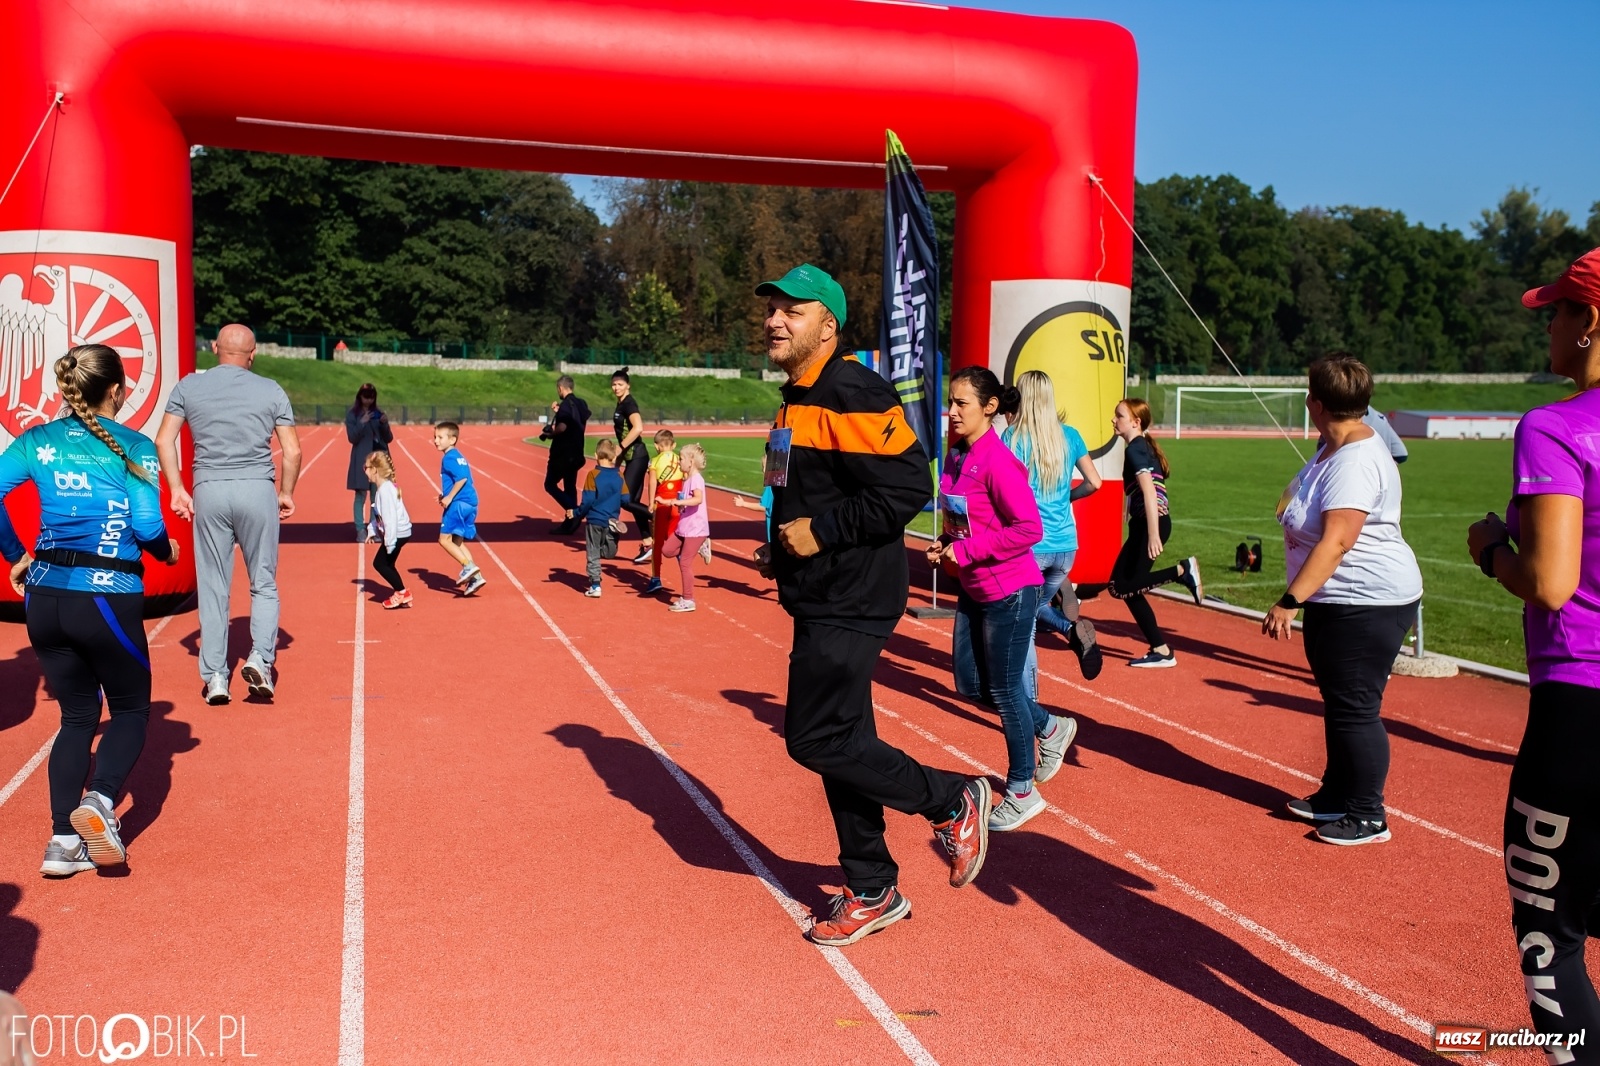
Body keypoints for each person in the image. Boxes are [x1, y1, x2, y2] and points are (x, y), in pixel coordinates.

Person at [756, 262, 989, 947]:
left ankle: (951, 799)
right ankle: (871, 886)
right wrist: (783, 544)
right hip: (818, 590)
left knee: (814, 739)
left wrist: (820, 533)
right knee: (842, 744)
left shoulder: (852, 389)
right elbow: (806, 490)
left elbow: (908, 485)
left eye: (792, 311)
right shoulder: (796, 398)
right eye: (772, 308)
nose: (774, 320)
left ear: (827, 325)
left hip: (852, 593)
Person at [1467, 247, 1600, 1052]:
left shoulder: (1556, 426)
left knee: (1550, 929)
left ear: (1590, 322)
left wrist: (1492, 547)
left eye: (1556, 312)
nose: (1546, 327)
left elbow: (1550, 583)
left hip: (1581, 704)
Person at [0, 346, 179, 876]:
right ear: (117, 391)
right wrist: (167, 550)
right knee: (130, 711)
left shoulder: (36, 440)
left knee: (77, 716)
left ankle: (62, 843)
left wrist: (16, 554)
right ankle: (100, 799)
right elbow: (147, 527)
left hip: (44, 597)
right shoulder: (135, 446)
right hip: (105, 595)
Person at [1264, 353, 1421, 846]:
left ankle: (1369, 814)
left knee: (1356, 706)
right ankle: (1337, 794)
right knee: (1340, 701)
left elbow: (1337, 541)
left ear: (1315, 402)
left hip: (1366, 599)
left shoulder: (1354, 460)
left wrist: (1289, 601)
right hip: (1339, 598)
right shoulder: (1334, 446)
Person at [929, 367, 1075, 832]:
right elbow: (963, 519)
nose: (952, 412)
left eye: (962, 404)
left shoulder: (998, 461)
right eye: (951, 402)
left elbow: (1028, 529)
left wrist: (968, 550)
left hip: (1011, 591)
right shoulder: (956, 456)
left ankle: (1022, 791)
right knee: (971, 687)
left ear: (990, 407)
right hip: (973, 588)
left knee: (1007, 692)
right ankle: (1050, 727)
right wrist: (944, 542)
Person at [155, 323, 300, 705]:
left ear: (215, 347)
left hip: (210, 490)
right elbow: (293, 451)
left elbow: (164, 440)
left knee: (214, 586)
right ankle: (260, 659)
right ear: (253, 354)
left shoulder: (189, 386)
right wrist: (285, 493)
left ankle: (217, 676)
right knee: (263, 582)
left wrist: (177, 489)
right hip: (257, 489)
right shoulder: (271, 389)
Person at [1001, 369, 1105, 686]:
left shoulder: (1013, 438)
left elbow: (1002, 491)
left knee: (1024, 625)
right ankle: (1071, 629)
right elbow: (1095, 482)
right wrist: (1068, 497)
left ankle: (1029, 699)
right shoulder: (1070, 435)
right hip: (1065, 546)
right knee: (1037, 606)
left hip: (1030, 545)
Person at [1107, 398, 1202, 668]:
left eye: (1119, 416)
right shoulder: (1142, 446)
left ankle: (1182, 571)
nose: (1114, 420)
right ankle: (1160, 649)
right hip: (1147, 523)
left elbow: (1150, 492)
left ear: (1136, 422)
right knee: (1125, 587)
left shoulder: (1135, 449)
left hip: (1152, 524)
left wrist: (1152, 534)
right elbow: (1141, 490)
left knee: (1121, 585)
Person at [431, 422, 486, 596]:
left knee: (444, 540)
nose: (435, 440)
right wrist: (444, 494)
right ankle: (476, 578)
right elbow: (464, 479)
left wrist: (449, 497)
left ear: (452, 439)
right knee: (457, 542)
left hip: (458, 504)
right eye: (435, 437)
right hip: (470, 503)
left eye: (440, 437)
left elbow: (461, 479)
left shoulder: (448, 458)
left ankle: (468, 566)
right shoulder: (458, 456)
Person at [573, 439, 629, 598]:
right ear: (614, 457)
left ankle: (595, 585)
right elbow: (626, 499)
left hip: (595, 519)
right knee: (609, 553)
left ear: (596, 455)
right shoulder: (619, 475)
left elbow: (588, 500)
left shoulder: (593, 475)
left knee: (593, 551)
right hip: (611, 518)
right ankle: (611, 537)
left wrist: (577, 513)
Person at [610, 368, 653, 559]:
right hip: (631, 458)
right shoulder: (620, 404)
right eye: (614, 384)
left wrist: (620, 448)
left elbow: (638, 428)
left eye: (620, 384)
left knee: (625, 500)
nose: (616, 388)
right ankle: (648, 543)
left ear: (628, 385)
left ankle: (660, 518)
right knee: (633, 502)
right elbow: (623, 434)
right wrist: (617, 462)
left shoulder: (629, 403)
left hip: (638, 456)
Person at [661, 443, 709, 612]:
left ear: (691, 461)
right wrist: (674, 503)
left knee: (685, 563)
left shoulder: (696, 479)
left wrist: (679, 502)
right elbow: (685, 502)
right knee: (667, 550)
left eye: (681, 459)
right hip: (684, 526)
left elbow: (698, 499)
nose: (678, 462)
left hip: (696, 528)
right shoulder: (687, 479)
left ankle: (688, 600)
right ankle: (700, 546)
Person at [364, 450, 413, 609]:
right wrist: (372, 530)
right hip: (399, 533)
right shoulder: (384, 488)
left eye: (366, 468)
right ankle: (402, 593)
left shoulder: (385, 490)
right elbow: (380, 515)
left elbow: (390, 519)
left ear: (374, 470)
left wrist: (389, 543)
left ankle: (402, 592)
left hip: (397, 534)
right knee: (388, 564)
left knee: (379, 564)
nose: (364, 471)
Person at [542, 375, 591, 534]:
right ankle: (570, 523)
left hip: (563, 453)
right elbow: (575, 418)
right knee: (570, 486)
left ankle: (575, 512)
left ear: (560, 388)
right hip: (577, 450)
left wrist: (551, 434)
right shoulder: (581, 403)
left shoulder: (565, 405)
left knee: (550, 484)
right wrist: (560, 412)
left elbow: (562, 427)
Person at [344, 382, 392, 541]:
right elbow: (352, 438)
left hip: (378, 459)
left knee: (377, 496)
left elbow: (388, 438)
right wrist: (362, 422)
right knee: (360, 495)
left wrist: (384, 423)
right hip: (362, 460)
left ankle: (374, 528)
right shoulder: (353, 415)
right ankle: (360, 529)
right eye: (366, 397)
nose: (368, 400)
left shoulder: (377, 413)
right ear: (360, 396)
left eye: (371, 397)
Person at [641, 429, 684, 595]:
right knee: (676, 539)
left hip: (661, 504)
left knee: (657, 542)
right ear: (673, 445)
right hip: (677, 504)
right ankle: (685, 573)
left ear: (656, 446)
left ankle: (656, 578)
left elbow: (652, 482)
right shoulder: (680, 459)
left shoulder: (654, 461)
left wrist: (651, 502)